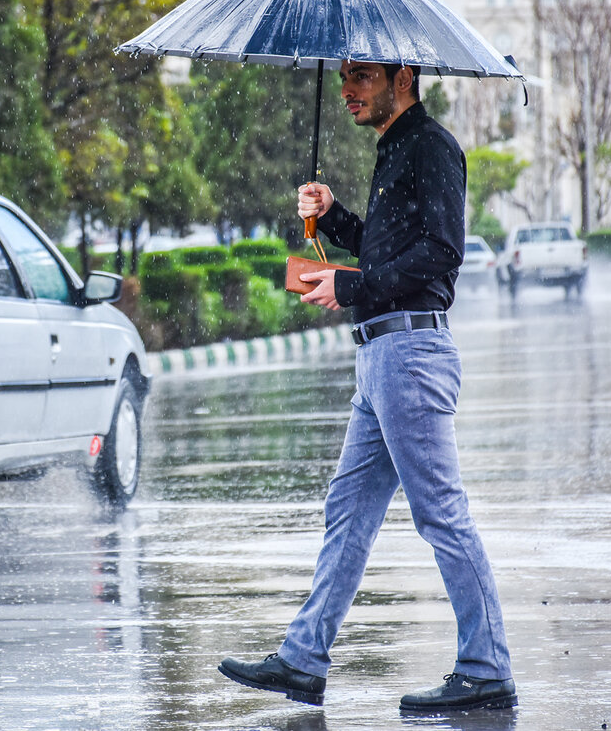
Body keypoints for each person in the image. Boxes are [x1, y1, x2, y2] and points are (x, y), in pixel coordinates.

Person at [218, 60, 516, 712]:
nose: (347, 89)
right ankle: (303, 657)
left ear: (401, 76)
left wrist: (349, 285)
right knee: (348, 511)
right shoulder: (394, 149)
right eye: (346, 76)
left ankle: (487, 665)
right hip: (381, 359)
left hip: (410, 354)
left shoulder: (433, 148)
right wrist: (334, 218)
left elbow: (440, 256)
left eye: (361, 76)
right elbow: (388, 255)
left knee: (440, 511)